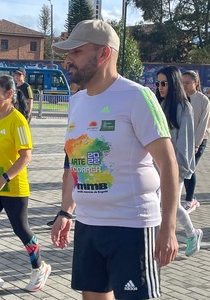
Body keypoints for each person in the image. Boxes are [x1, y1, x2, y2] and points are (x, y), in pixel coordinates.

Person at [51, 19, 179, 300]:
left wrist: (168, 228)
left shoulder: (138, 97)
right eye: (67, 54)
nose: (68, 60)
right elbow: (76, 164)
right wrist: (65, 211)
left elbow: (168, 164)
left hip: (131, 226)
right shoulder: (77, 102)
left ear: (104, 54)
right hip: (88, 225)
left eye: (76, 52)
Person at [0, 75, 51, 298]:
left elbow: (26, 157)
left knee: (21, 230)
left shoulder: (18, 121)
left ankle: (39, 267)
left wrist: (3, 178)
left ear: (9, 94)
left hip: (12, 187)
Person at [156, 66, 203, 257]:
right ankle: (189, 234)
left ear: (173, 83)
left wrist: (182, 168)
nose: (160, 87)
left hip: (176, 166)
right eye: (158, 83)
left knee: (169, 204)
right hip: (158, 163)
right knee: (164, 203)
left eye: (164, 83)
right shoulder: (160, 104)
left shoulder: (184, 107)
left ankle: (191, 234)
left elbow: (185, 140)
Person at [182, 70, 210, 213]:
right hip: (183, 139)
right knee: (185, 168)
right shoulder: (181, 98)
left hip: (199, 140)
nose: (184, 86)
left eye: (187, 83)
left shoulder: (203, 100)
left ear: (196, 82)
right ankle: (190, 199)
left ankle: (190, 200)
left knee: (190, 168)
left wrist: (196, 144)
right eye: (182, 83)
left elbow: (203, 125)